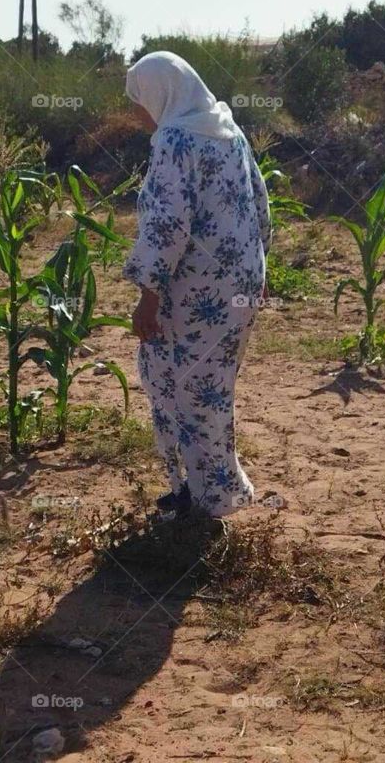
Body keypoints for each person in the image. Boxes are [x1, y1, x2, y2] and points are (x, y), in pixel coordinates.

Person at [122, 51, 270, 517]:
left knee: (180, 387)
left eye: (137, 100)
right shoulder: (227, 128)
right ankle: (212, 491)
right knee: (211, 389)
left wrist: (149, 294)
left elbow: (168, 225)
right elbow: (260, 205)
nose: (136, 113)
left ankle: (205, 502)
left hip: (197, 292)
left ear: (159, 93)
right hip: (241, 284)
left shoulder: (175, 140)